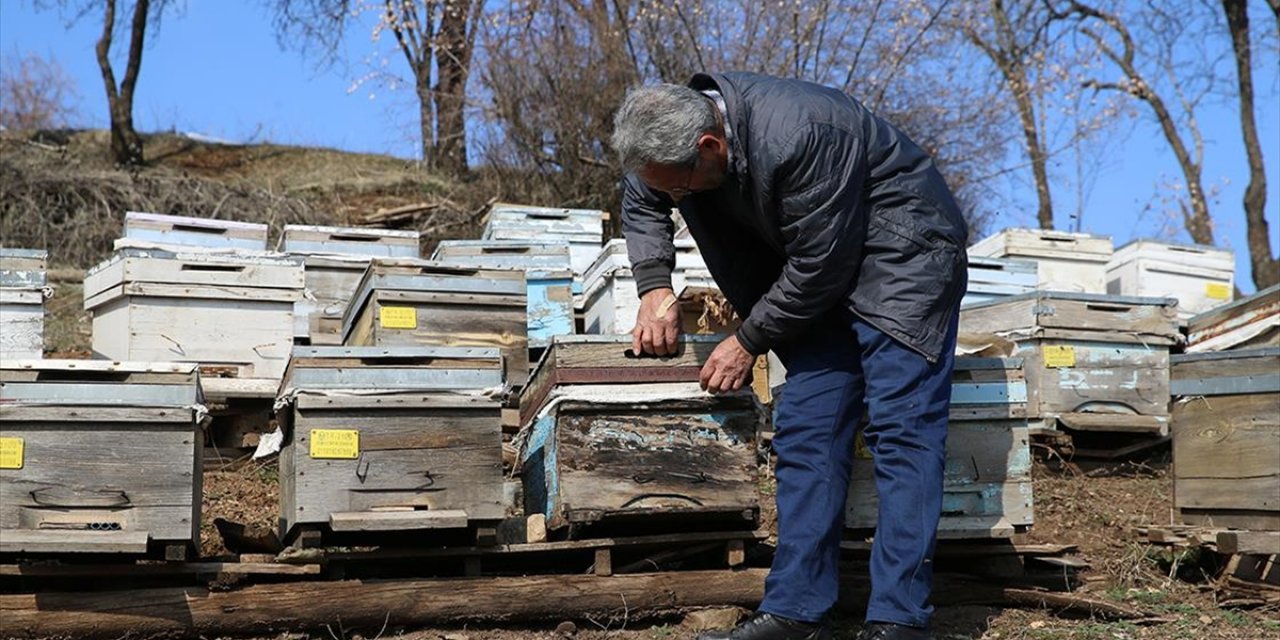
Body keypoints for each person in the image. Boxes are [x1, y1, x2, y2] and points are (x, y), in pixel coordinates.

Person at [611, 72, 969, 640]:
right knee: (808, 430)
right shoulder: (668, 145)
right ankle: (797, 613)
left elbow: (820, 266)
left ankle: (900, 620)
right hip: (816, 267)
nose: (674, 199)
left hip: (903, 255)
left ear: (712, 147)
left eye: (681, 189)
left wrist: (747, 340)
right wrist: (654, 284)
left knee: (902, 432)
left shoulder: (802, 132)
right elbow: (643, 196)